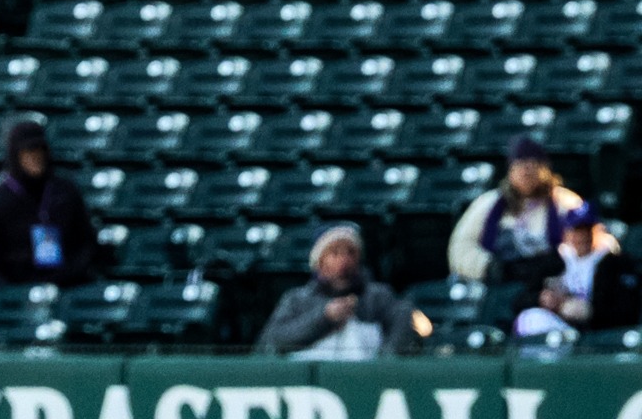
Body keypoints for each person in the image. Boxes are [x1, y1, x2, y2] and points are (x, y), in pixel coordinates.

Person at [447, 136, 601, 285]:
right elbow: (460, 248)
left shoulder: (565, 201)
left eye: (533, 165)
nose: (526, 171)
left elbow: (597, 243)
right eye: (520, 165)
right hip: (496, 287)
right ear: (510, 170)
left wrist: (562, 262)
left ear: (545, 169)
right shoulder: (488, 203)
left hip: (551, 286)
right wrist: (490, 267)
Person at [257, 224, 419, 360]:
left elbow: (404, 322)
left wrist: (384, 362)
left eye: (350, 252)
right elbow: (272, 340)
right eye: (335, 253)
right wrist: (325, 317)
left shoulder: (378, 296)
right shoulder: (297, 299)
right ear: (320, 261)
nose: (344, 259)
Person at [0, 119, 95, 287]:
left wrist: (67, 278)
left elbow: (86, 244)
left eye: (39, 149)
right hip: (15, 294)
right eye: (27, 151)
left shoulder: (66, 191)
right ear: (15, 155)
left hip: (66, 286)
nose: (35, 157)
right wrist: (13, 293)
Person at [512, 202, 641, 337]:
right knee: (529, 318)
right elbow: (519, 301)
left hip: (596, 332)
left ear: (597, 230)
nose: (581, 236)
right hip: (559, 328)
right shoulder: (554, 261)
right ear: (566, 232)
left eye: (586, 230)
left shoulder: (616, 263)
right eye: (576, 230)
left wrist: (591, 312)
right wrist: (540, 298)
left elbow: (628, 312)